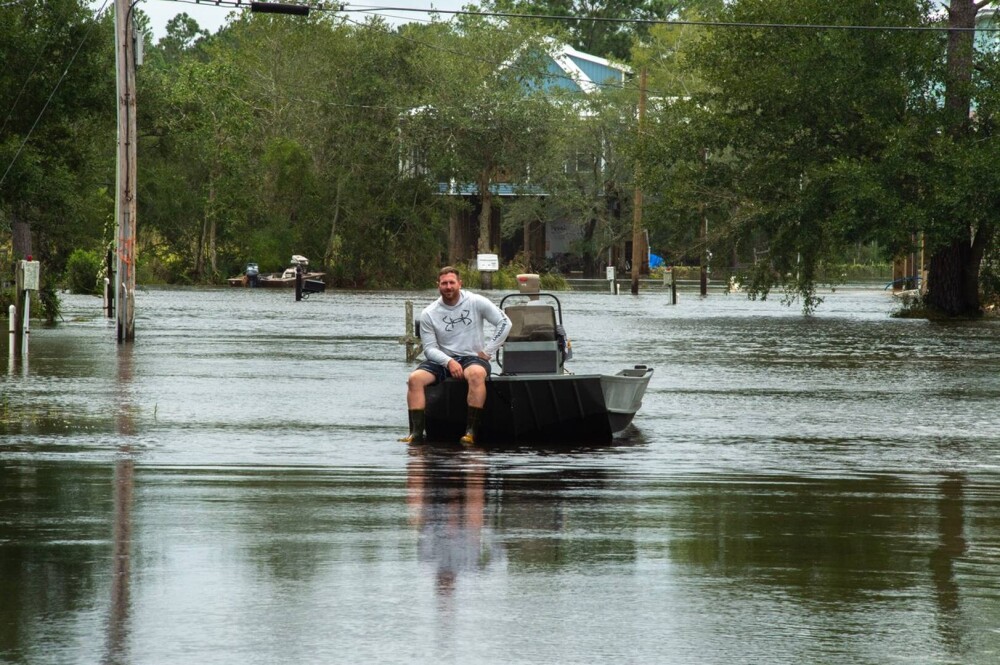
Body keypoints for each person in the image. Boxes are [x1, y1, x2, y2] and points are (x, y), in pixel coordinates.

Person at [400, 266, 511, 445]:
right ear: (438, 285)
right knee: (414, 379)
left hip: (472, 357)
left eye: (452, 282)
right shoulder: (429, 312)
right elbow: (429, 349)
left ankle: (470, 432)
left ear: (460, 283)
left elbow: (505, 322)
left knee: (476, 374)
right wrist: (449, 361)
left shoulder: (476, 301)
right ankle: (416, 433)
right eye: (444, 283)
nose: (448, 287)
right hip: (443, 359)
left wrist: (489, 350)